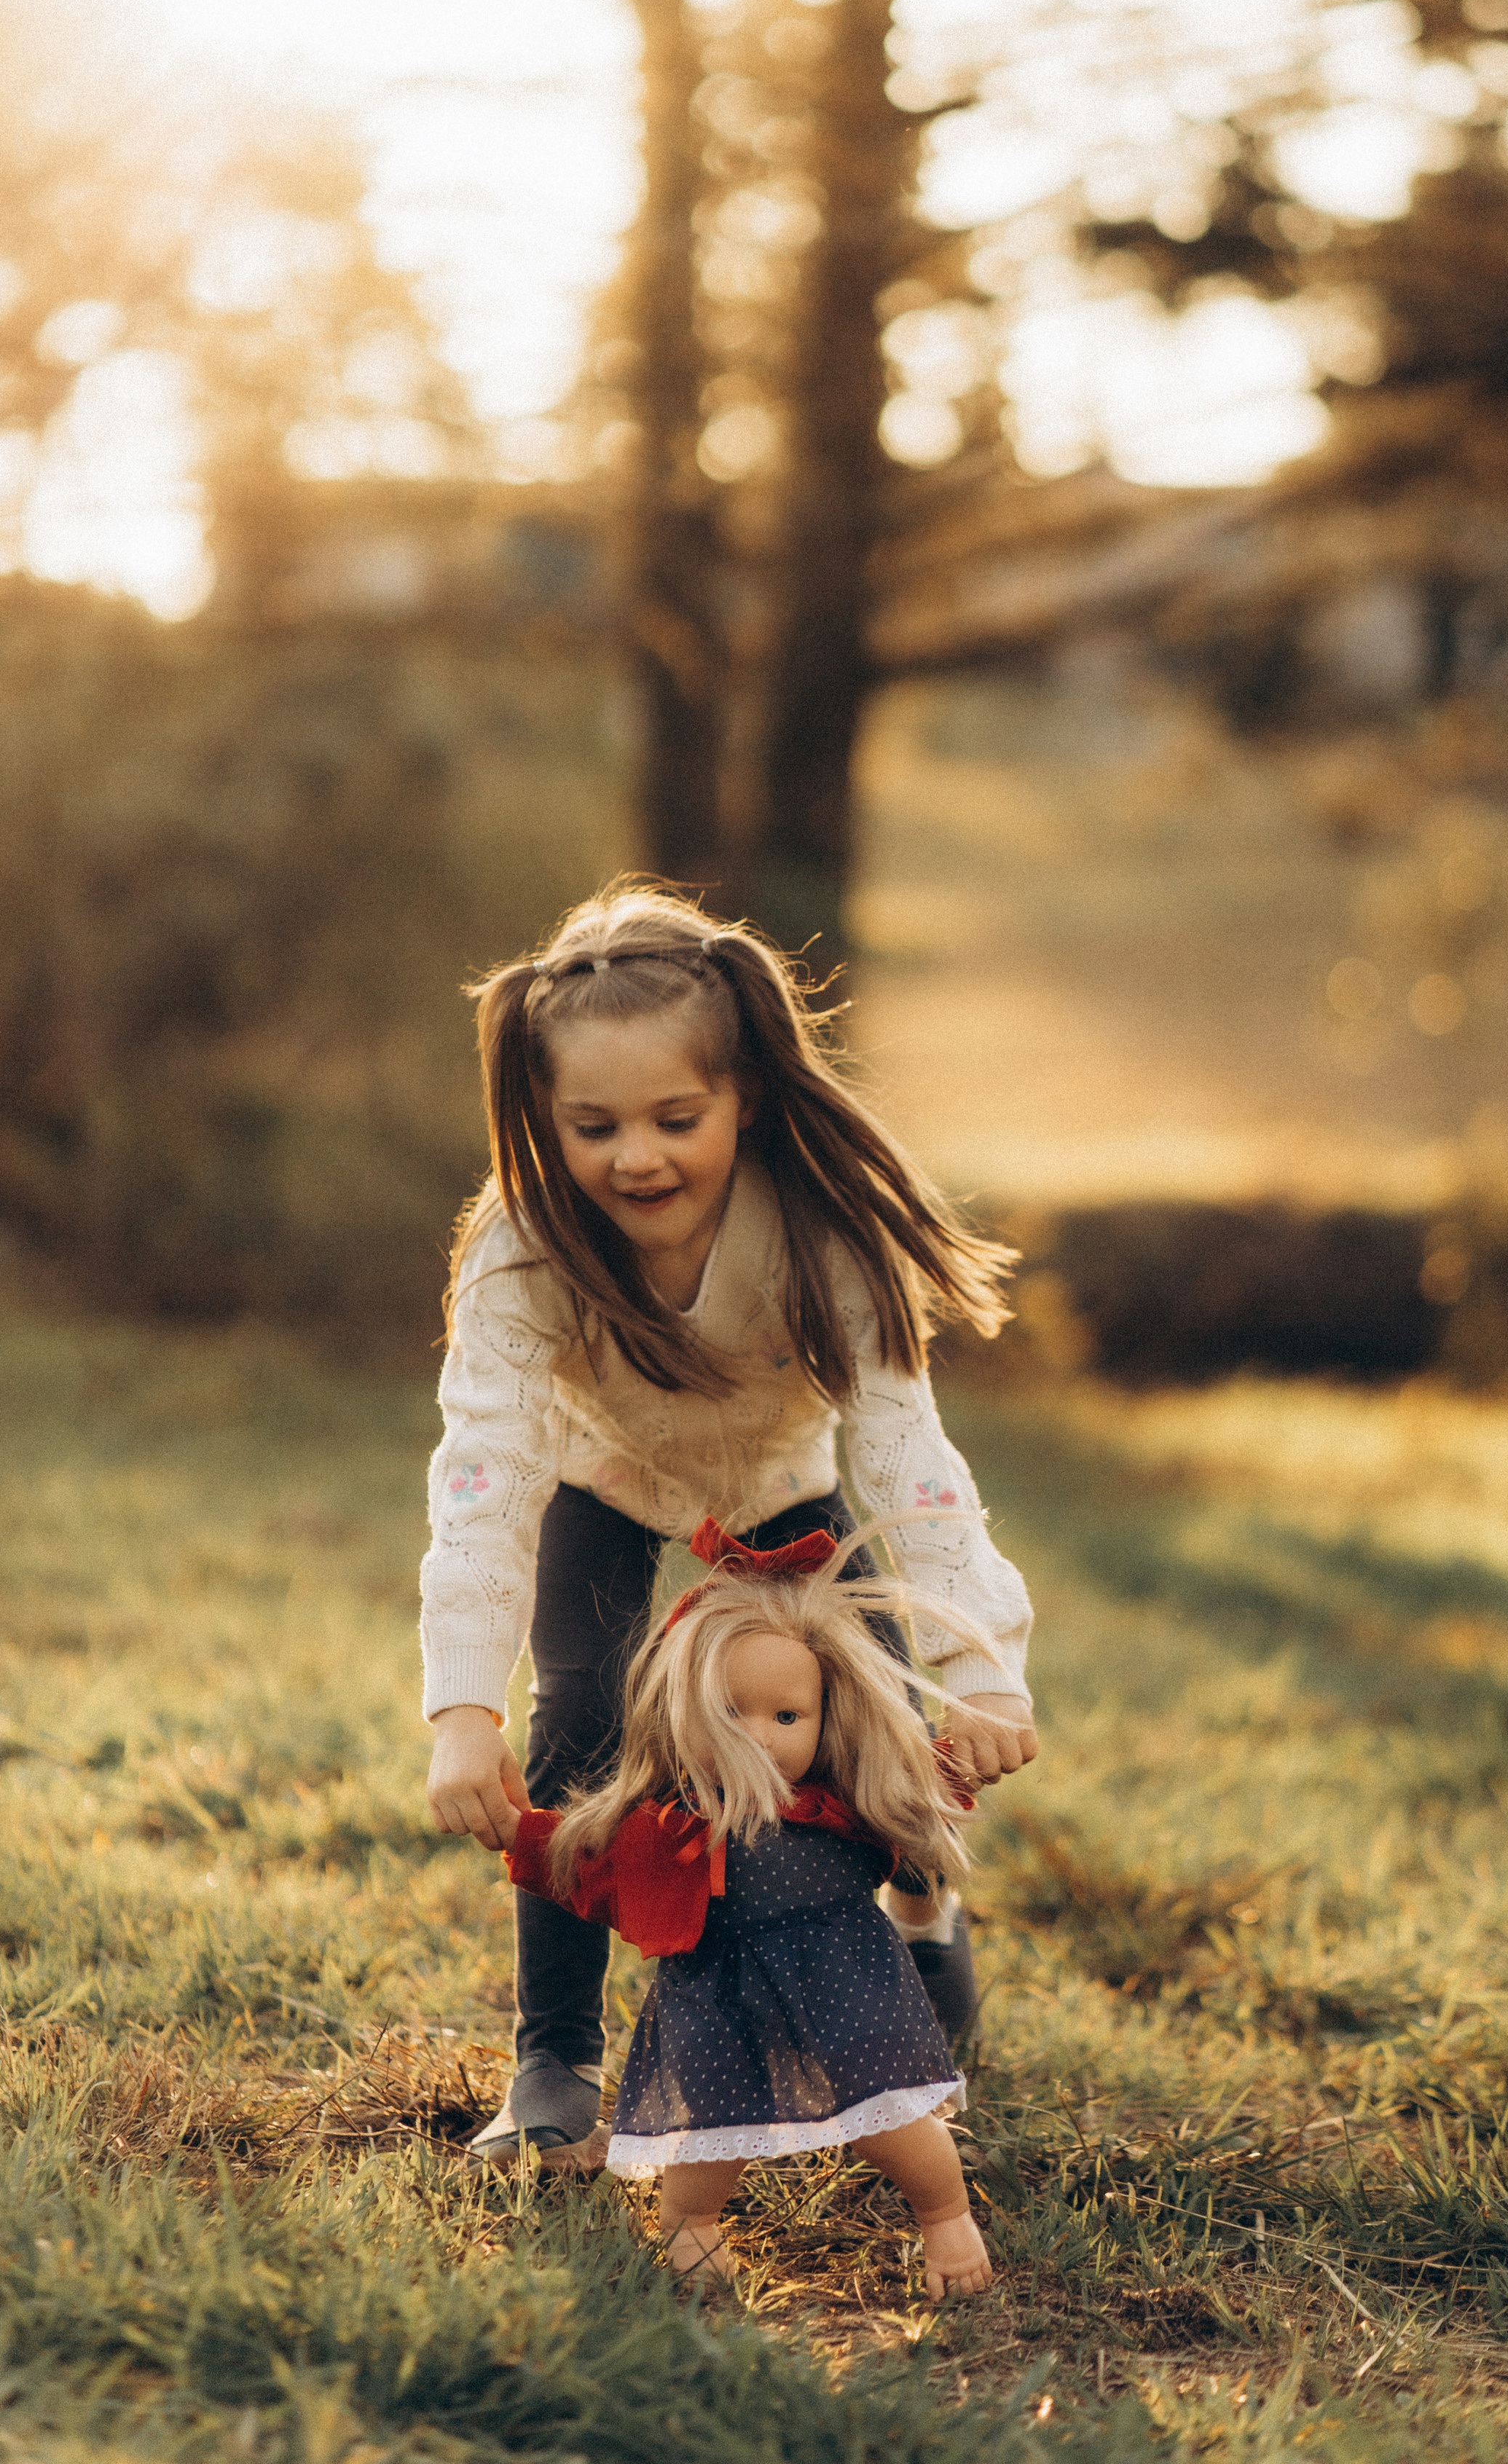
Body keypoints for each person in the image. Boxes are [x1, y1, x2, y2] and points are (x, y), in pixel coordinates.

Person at [420, 881, 1038, 2173]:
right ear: (542, 1115)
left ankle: (914, 1925)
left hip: (785, 1485)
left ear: (745, 1095)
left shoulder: (826, 1240)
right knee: (584, 1719)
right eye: (592, 1126)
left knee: (856, 1736)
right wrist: (461, 1708)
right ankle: (556, 2056)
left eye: (674, 1119)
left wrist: (980, 1669)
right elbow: (483, 1473)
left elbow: (908, 1461)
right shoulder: (524, 1252)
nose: (634, 1156)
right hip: (610, 1483)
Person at [504, 1524, 993, 2297]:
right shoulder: (669, 1830)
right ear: (682, 1714)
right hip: (718, 2009)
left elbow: (925, 1798)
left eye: (786, 1717)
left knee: (899, 2127)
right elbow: (585, 1861)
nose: (760, 1739)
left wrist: (963, 1754)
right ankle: (690, 2227)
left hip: (850, 1998)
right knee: (706, 2139)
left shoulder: (847, 1807)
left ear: (826, 1715)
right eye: (731, 1715)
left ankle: (946, 2219)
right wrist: (512, 1830)